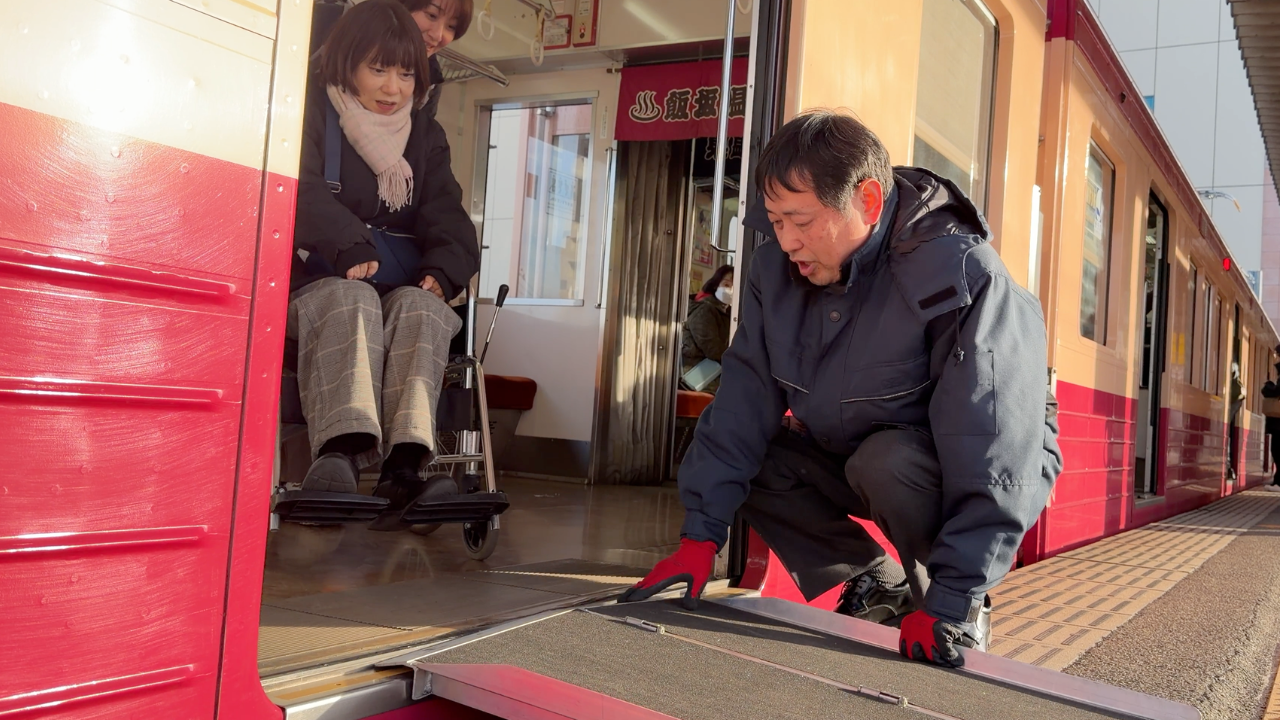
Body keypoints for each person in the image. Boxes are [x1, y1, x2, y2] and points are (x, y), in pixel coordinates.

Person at [618, 110, 1063, 669]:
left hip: (972, 459)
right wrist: (699, 535)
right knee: (756, 455)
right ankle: (876, 580)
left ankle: (952, 600)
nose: (786, 242)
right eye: (775, 222)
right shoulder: (775, 270)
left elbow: (994, 444)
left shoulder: (962, 273)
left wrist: (954, 595)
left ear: (869, 201)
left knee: (888, 462)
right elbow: (743, 399)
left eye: (800, 221)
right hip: (853, 447)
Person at [289, 0, 479, 529]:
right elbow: (298, 190)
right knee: (348, 298)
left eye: (405, 73)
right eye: (378, 69)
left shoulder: (423, 133)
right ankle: (339, 457)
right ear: (347, 62)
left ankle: (405, 468)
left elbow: (447, 211)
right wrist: (347, 243)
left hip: (391, 284)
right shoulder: (309, 111)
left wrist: (442, 271)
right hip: (313, 283)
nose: (394, 88)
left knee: (422, 308)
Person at [396, 0, 473, 122]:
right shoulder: (358, 48)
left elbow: (421, 136)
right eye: (432, 15)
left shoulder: (431, 79)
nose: (438, 35)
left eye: (451, 26)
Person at [681, 265, 734, 393]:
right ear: (716, 284)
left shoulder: (728, 312)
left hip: (713, 370)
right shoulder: (704, 310)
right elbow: (712, 348)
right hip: (697, 372)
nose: (730, 290)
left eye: (734, 286)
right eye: (726, 285)